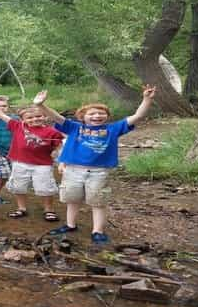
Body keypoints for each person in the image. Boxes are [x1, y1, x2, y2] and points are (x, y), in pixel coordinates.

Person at [34, 85, 156, 244]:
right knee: (72, 200)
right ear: (82, 117)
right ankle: (70, 225)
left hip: (99, 172)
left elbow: (138, 116)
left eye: (101, 113)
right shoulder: (74, 127)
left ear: (107, 116)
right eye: (92, 113)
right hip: (73, 171)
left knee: (98, 202)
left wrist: (146, 99)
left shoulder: (113, 129)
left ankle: (97, 231)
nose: (97, 116)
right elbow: (56, 117)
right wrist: (40, 105)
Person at [0, 94, 64, 222]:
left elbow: (60, 148)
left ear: (45, 117)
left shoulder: (52, 132)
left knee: (45, 188)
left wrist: (61, 163)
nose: (34, 119)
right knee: (19, 186)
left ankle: (49, 210)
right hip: (19, 163)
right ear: (22, 119)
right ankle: (21, 208)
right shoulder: (18, 126)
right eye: (30, 118)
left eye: (38, 116)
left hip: (42, 164)